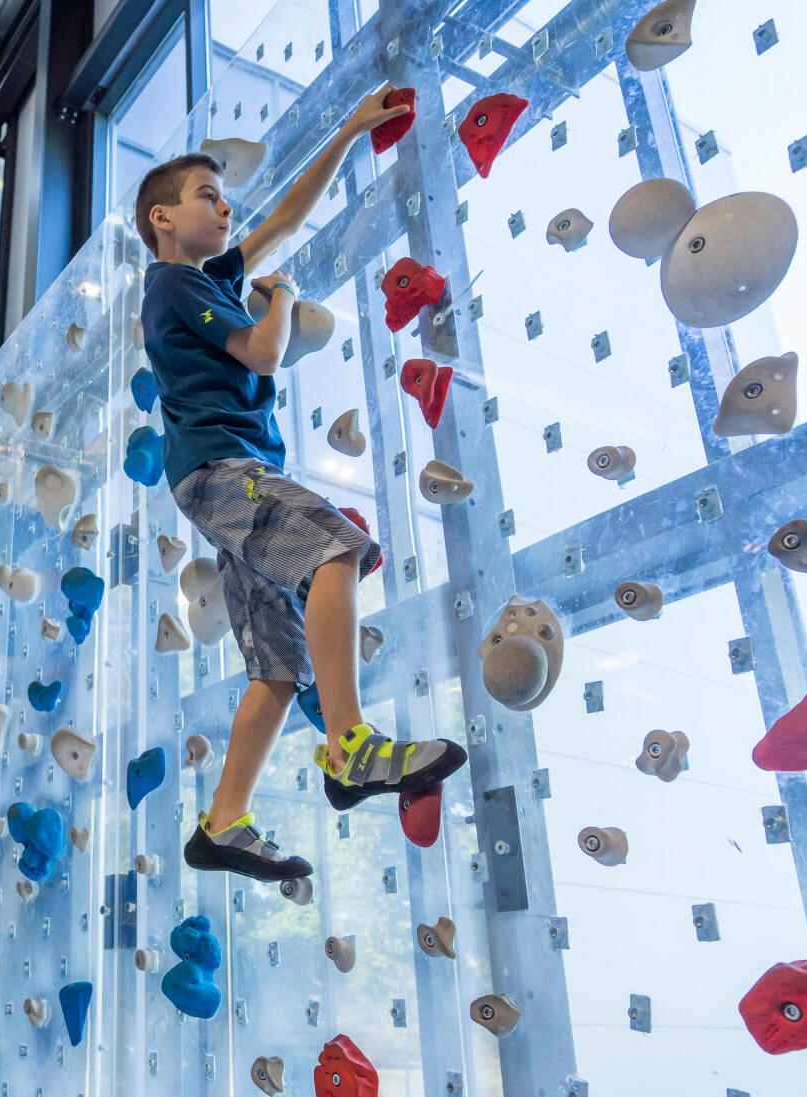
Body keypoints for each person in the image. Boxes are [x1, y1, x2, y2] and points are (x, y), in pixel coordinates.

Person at [136, 84, 469, 882]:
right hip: (225, 471)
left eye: (223, 200)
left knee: (278, 668)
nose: (224, 211)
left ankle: (222, 823)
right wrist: (281, 297)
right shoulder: (175, 285)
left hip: (219, 478)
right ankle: (350, 745)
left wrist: (353, 129)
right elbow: (261, 352)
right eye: (207, 198)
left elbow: (284, 216)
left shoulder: (209, 276)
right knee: (337, 546)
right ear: (162, 219)